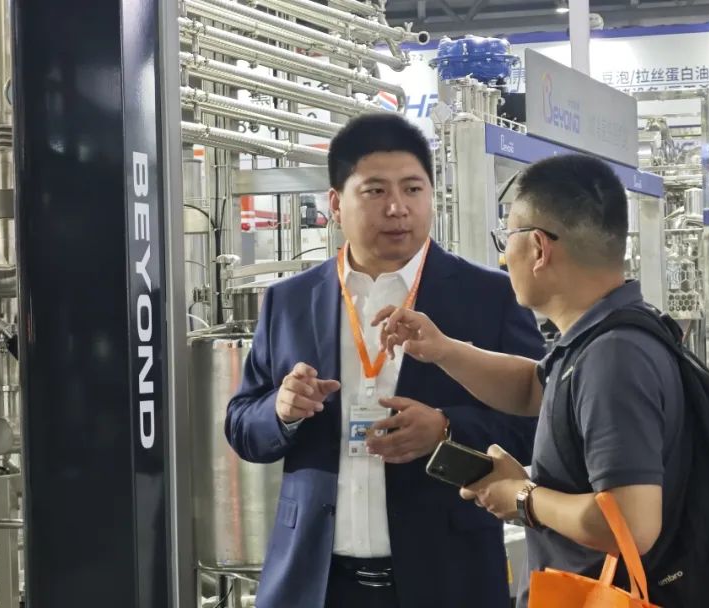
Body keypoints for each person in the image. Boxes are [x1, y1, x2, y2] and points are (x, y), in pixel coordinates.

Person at [224, 113, 543, 608]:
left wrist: (446, 429)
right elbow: (242, 424)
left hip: (447, 578)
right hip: (315, 582)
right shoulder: (290, 300)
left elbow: (538, 421)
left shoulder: (490, 297)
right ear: (335, 203)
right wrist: (282, 411)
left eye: (413, 189)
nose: (398, 208)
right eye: (375, 191)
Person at [375, 154, 686, 606]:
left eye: (507, 239)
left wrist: (522, 496)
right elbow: (534, 389)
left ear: (539, 248)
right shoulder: (599, 338)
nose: (504, 257)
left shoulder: (613, 357)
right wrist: (443, 349)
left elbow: (631, 523)